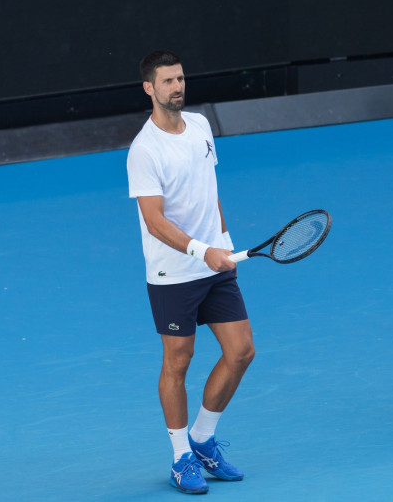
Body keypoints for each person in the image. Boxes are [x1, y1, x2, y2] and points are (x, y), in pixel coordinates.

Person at [127, 50, 255, 493]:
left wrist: (223, 238)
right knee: (178, 362)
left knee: (241, 351)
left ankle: (202, 438)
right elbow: (155, 221)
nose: (177, 87)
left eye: (180, 78)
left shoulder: (200, 126)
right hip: (173, 274)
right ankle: (181, 457)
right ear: (149, 88)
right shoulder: (144, 150)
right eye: (167, 81)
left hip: (215, 262)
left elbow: (210, 187)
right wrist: (203, 251)